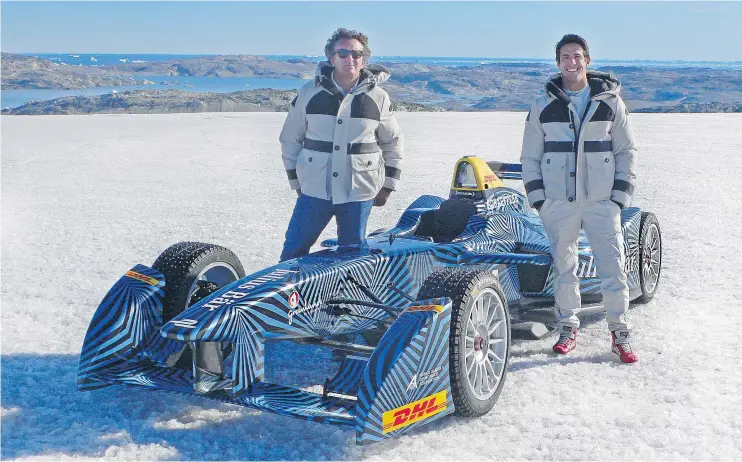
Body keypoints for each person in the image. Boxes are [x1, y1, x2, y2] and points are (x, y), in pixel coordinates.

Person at [520, 34, 638, 363]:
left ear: (587, 59)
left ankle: (620, 332)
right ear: (558, 63)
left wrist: (618, 197)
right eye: (565, 57)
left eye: (577, 56)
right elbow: (530, 156)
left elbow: (626, 151)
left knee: (613, 267)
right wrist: (540, 200)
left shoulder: (610, 101)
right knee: (564, 267)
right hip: (558, 203)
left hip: (602, 202)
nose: (572, 62)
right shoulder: (543, 104)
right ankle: (568, 327)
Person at [279, 28, 403, 262]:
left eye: (356, 54)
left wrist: (388, 185)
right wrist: (296, 181)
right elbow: (290, 138)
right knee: (293, 253)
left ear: (364, 58)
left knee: (352, 257)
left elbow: (392, 141)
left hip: (359, 190)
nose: (350, 59)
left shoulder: (378, 97)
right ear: (331, 57)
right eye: (343, 53)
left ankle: (346, 299)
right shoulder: (309, 93)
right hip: (314, 188)